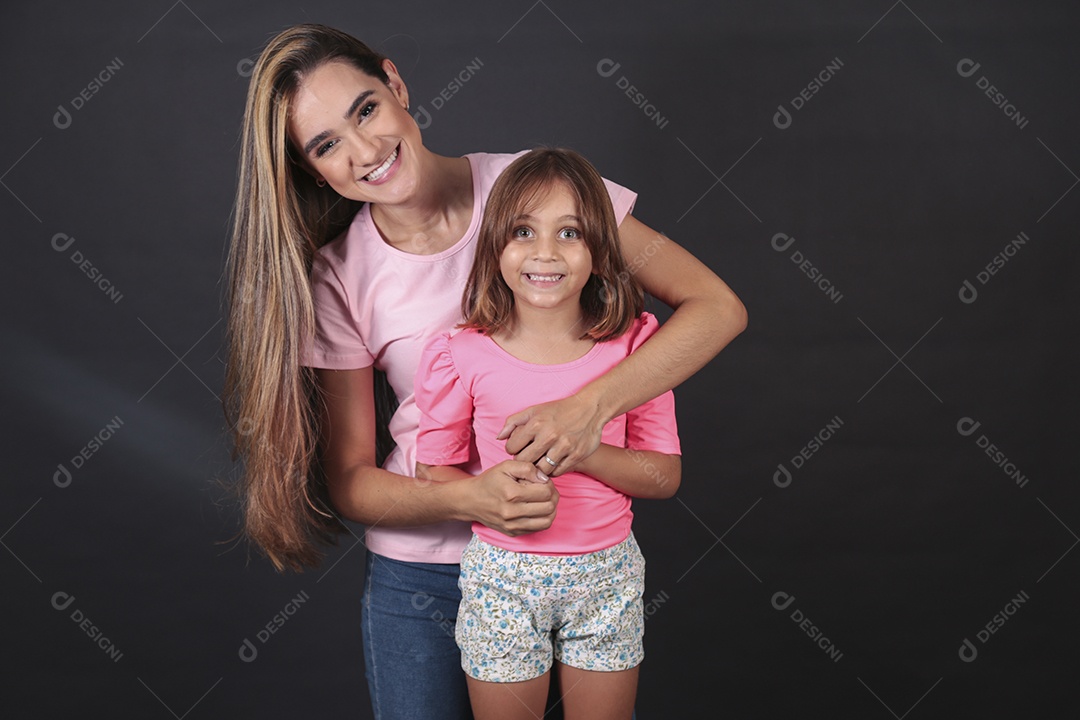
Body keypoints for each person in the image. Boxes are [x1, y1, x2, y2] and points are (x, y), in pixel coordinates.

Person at [223, 23, 746, 720]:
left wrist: (588, 410)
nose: (366, 149)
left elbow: (717, 308)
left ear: (396, 84)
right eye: (326, 145)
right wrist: (469, 501)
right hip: (423, 583)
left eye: (366, 109)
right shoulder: (338, 276)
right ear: (312, 170)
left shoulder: (536, 188)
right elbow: (351, 482)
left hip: (573, 559)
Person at [413, 147, 682, 720]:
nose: (544, 252)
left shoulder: (636, 347)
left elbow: (663, 477)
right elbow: (434, 472)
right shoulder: (461, 353)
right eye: (522, 231)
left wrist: (584, 449)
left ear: (600, 251)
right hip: (501, 578)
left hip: (606, 572)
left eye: (570, 233)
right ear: (495, 247)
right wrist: (487, 492)